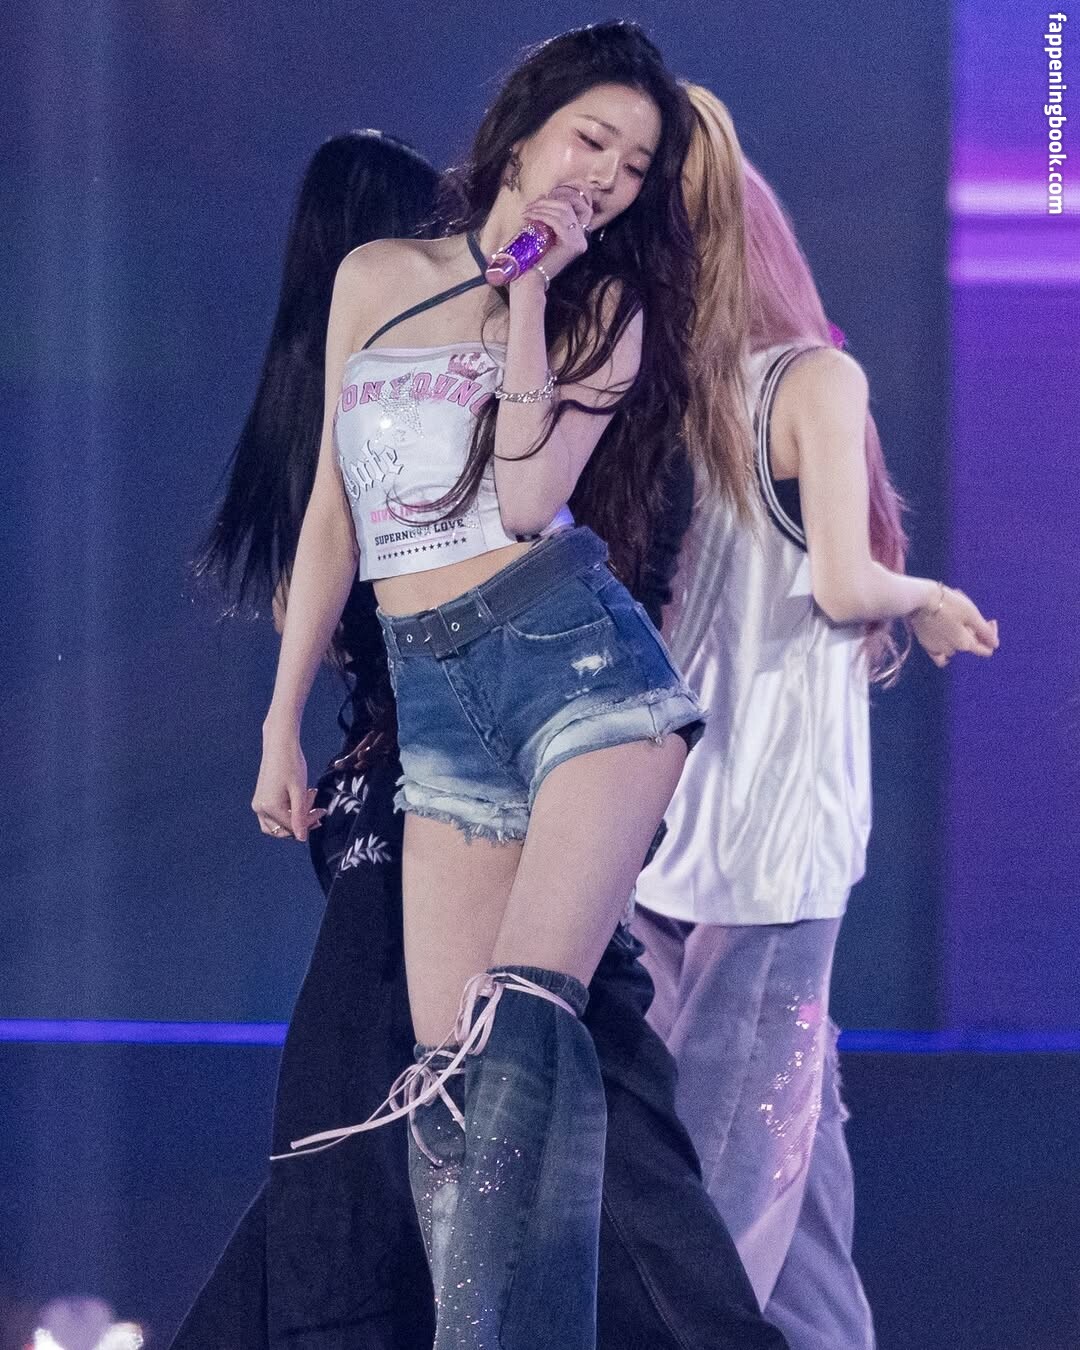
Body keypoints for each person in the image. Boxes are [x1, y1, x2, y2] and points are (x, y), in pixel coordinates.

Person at [178, 117, 785, 1350]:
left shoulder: (578, 346)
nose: (601, 182)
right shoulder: (377, 342)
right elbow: (327, 546)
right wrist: (292, 720)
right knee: (436, 1097)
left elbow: (541, 522)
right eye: (593, 146)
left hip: (526, 730)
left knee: (506, 1074)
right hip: (416, 759)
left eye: (632, 169)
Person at [633, 85, 1000, 1350]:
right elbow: (843, 584)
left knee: (799, 1174)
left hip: (664, 829)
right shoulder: (815, 381)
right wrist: (929, 595)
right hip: (771, 848)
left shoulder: (657, 402)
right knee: (729, 1202)